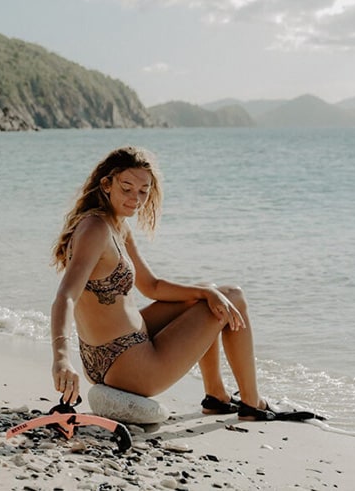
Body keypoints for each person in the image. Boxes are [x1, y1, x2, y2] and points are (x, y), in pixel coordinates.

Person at [50, 147, 312, 421]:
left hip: (110, 355)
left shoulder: (116, 226)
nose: (135, 199)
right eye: (126, 188)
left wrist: (206, 292)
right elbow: (66, 296)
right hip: (130, 366)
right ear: (106, 184)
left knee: (209, 293)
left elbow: (151, 286)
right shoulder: (95, 229)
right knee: (234, 296)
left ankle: (217, 396)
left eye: (143, 191)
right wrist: (61, 359)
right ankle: (253, 404)